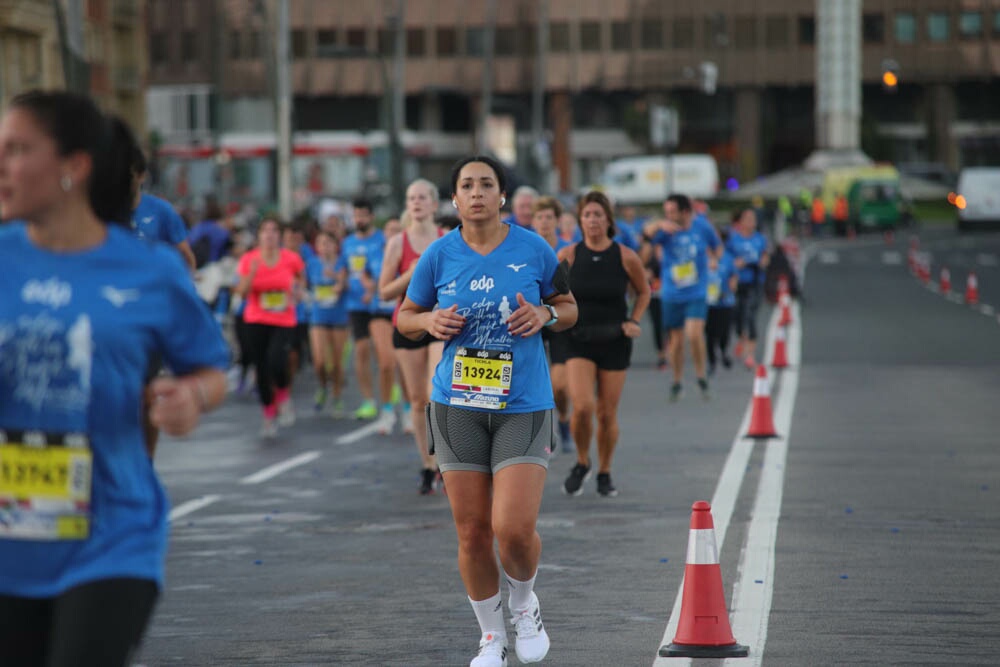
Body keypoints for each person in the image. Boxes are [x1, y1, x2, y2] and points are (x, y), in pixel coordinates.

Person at [0, 90, 228, 666]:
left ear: (74, 167)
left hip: (111, 536)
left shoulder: (148, 270)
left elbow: (210, 367)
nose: (2, 165)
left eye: (18, 150)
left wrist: (190, 397)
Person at [397, 155, 577, 667]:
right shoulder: (438, 255)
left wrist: (544, 312)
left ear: (502, 196)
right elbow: (405, 317)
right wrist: (430, 319)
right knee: (472, 531)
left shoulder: (534, 248)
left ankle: (524, 604)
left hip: (522, 404)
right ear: (454, 199)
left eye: (487, 184)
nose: (477, 193)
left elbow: (569, 308)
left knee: (513, 529)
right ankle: (491, 637)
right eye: (467, 185)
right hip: (457, 405)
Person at [559, 191, 650, 498]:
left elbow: (644, 292)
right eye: (587, 215)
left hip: (615, 340)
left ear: (608, 220)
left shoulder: (625, 256)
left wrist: (633, 320)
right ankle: (583, 461)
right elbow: (550, 292)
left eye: (598, 215)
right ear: (579, 221)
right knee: (582, 407)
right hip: (578, 339)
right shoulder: (568, 255)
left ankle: (605, 470)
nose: (593, 220)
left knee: (606, 413)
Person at [379, 179, 446, 494]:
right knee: (418, 400)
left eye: (422, 197)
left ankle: (447, 459)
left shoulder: (448, 240)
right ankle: (427, 465)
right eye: (411, 198)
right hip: (407, 325)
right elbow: (383, 292)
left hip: (440, 325)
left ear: (434, 204)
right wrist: (409, 274)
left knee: (436, 394)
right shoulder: (397, 243)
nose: (416, 203)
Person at [644, 193, 720, 401]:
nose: (668, 215)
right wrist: (659, 224)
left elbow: (717, 246)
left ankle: (701, 375)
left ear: (685, 212)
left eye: (672, 212)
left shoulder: (702, 226)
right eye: (666, 212)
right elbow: (645, 236)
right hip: (671, 293)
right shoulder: (665, 230)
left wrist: (714, 260)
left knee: (694, 334)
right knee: (676, 342)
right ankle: (677, 381)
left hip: (696, 291)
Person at [234, 217, 306, 437]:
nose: (270, 235)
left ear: (280, 236)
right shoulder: (249, 260)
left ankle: (283, 395)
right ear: (259, 236)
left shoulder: (291, 259)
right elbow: (241, 293)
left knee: (277, 360)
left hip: (283, 319)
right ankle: (268, 413)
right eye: (265, 231)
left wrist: (298, 292)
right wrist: (252, 273)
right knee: (261, 368)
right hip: (256, 319)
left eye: (274, 231)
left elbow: (300, 281)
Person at [336, 199, 392, 423]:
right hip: (355, 303)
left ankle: (390, 386)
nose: (358, 219)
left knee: (383, 353)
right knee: (361, 350)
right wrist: (340, 283)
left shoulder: (382, 240)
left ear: (371, 217)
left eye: (362, 215)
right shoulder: (347, 243)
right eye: (356, 215)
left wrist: (376, 288)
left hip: (379, 303)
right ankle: (368, 400)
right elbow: (343, 268)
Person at [531, 196, 574, 453]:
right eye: (540, 217)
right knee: (534, 383)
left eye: (549, 217)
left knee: (559, 385)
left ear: (558, 221)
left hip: (556, 319)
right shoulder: (525, 249)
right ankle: (544, 433)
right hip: (531, 321)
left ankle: (565, 420)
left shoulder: (568, 250)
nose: (544, 222)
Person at [129, 145, 196, 270]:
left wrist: (186, 284)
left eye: (129, 176)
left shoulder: (161, 210)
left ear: (142, 176)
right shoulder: (103, 212)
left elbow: (185, 254)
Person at [306, 230, 350, 415]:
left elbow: (348, 285)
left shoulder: (343, 262)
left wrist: (338, 279)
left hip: (339, 316)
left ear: (335, 245)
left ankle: (337, 395)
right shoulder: (311, 264)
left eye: (328, 243)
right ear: (316, 247)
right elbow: (303, 285)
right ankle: (323, 386)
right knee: (320, 362)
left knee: (338, 363)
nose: (324, 247)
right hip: (318, 317)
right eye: (321, 243)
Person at [726, 208, 770, 369]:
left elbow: (765, 257)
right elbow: (726, 257)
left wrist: (762, 262)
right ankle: (741, 338)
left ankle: (749, 355)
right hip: (738, 282)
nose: (750, 222)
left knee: (751, 315)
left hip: (755, 281)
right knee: (737, 315)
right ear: (741, 221)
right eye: (747, 219)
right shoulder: (733, 239)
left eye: (753, 219)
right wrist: (734, 267)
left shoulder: (760, 239)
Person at [705, 231, 738, 375]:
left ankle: (724, 351)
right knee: (709, 333)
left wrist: (730, 288)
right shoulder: (702, 259)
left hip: (725, 301)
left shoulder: (728, 259)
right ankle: (711, 361)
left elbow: (734, 278)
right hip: (707, 303)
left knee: (724, 330)